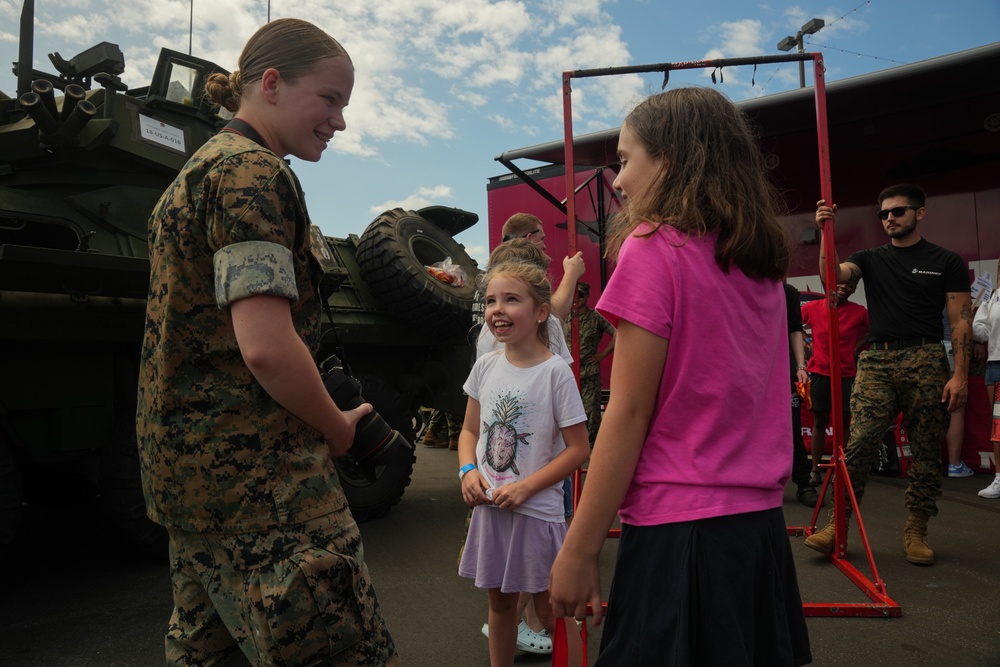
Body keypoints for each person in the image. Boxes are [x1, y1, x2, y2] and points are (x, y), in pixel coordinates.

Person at [135, 19, 398, 665]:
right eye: (330, 99)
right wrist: (337, 427)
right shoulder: (252, 173)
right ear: (273, 84)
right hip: (267, 488)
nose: (339, 120)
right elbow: (266, 346)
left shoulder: (195, 172)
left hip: (193, 485)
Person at [549, 87, 811, 666]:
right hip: (759, 529)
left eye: (625, 158)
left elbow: (629, 411)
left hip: (682, 530)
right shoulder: (759, 261)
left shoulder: (652, 248)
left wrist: (579, 547)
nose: (616, 180)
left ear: (671, 157)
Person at [805, 184, 972, 566]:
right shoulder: (870, 257)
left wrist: (959, 376)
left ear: (920, 213)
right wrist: (825, 233)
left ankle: (916, 530)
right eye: (884, 214)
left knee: (927, 450)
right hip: (877, 363)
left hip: (927, 358)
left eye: (898, 211)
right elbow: (833, 276)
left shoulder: (946, 261)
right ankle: (838, 525)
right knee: (859, 443)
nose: (890, 218)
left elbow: (961, 321)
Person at [458, 259, 590, 666]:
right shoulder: (485, 367)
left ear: (540, 312)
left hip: (537, 513)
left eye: (512, 299)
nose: (498, 309)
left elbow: (578, 449)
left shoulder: (555, 373)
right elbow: (468, 432)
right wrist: (467, 470)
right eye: (492, 300)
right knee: (500, 608)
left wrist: (527, 487)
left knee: (554, 611)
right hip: (491, 512)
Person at [800, 282, 869, 485]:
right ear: (831, 285)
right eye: (840, 285)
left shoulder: (859, 311)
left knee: (844, 424)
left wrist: (857, 345)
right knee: (820, 423)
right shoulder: (813, 308)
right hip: (820, 373)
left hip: (847, 374)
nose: (844, 289)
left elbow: (877, 329)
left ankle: (840, 469)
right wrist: (807, 341)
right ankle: (815, 471)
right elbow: (791, 323)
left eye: (849, 286)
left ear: (854, 290)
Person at [563, 282, 616, 444]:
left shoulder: (596, 318)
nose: (577, 299)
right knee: (567, 413)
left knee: (591, 413)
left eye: (581, 295)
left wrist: (602, 355)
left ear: (587, 297)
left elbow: (618, 333)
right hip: (567, 373)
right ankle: (570, 448)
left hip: (589, 373)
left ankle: (592, 449)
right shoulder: (564, 317)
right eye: (574, 295)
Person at [786, 283, 819, 507]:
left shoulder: (787, 292)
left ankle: (803, 483)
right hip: (748, 370)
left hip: (782, 369)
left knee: (791, 426)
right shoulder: (740, 286)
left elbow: (795, 328)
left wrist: (800, 366)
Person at [973, 262, 1000, 498]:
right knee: (999, 425)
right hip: (996, 364)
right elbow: (979, 328)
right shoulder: (993, 296)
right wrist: (974, 327)